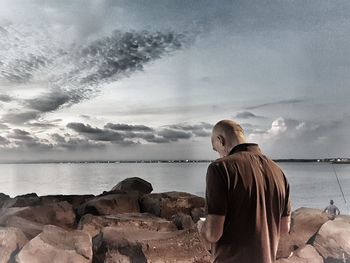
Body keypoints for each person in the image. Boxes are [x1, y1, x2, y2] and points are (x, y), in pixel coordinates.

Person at [197, 120, 291, 263]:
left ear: (220, 140)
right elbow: (284, 228)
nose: (219, 155)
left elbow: (213, 234)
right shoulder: (278, 171)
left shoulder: (220, 168)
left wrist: (202, 226)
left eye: (216, 149)